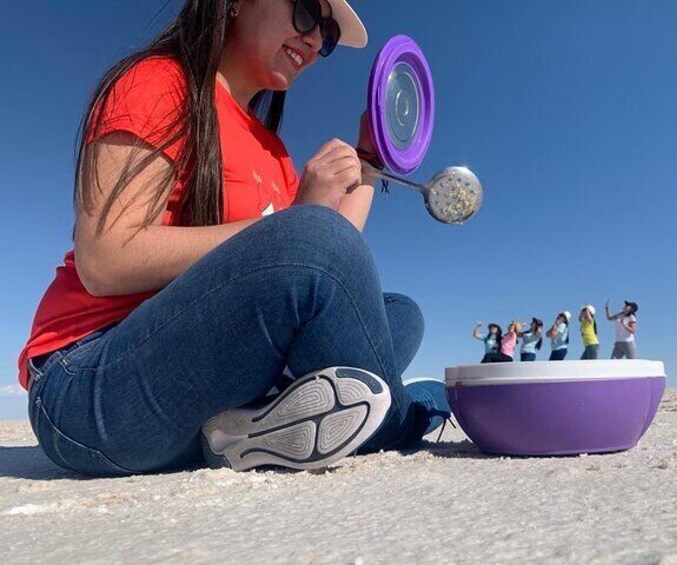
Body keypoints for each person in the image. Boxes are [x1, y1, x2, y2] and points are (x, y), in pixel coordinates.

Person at [17, 0, 450, 477]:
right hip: (88, 385)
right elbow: (104, 259)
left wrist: (368, 160)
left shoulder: (274, 152)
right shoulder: (160, 81)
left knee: (399, 313)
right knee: (323, 252)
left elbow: (327, 270)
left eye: (325, 34)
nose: (313, 39)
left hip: (203, 379)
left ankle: (249, 429)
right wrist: (298, 222)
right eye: (307, 12)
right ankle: (412, 410)